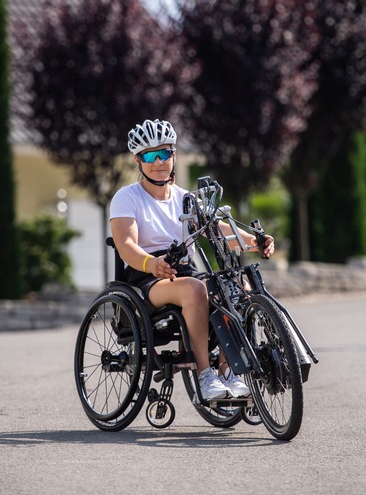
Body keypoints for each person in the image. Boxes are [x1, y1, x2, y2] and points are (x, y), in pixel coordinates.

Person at [109, 118, 275, 401]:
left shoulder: (185, 198)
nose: (159, 161)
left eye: (165, 153)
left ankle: (227, 372)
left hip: (185, 272)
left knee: (237, 288)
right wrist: (152, 263)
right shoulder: (127, 198)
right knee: (196, 289)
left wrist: (254, 241)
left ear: (174, 155)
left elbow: (217, 231)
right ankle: (204, 375)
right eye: (150, 155)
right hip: (147, 279)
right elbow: (126, 245)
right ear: (138, 160)